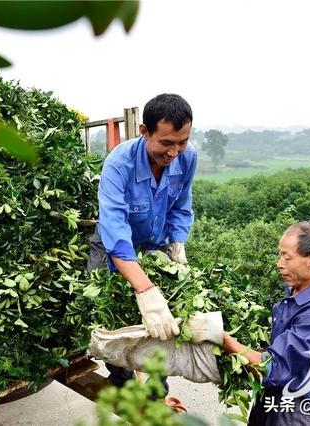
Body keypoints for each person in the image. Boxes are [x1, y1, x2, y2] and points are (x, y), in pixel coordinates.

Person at [87, 93, 197, 389]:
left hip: (155, 242)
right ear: (145, 132)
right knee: (110, 311)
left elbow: (181, 206)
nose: (175, 152)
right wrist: (144, 288)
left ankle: (157, 388)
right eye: (166, 143)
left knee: (165, 319)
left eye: (182, 142)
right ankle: (121, 378)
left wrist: (177, 243)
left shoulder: (188, 158)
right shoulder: (119, 163)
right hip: (114, 242)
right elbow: (115, 228)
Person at [221, 221, 310, 426]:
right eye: (280, 255)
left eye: (287, 257)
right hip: (272, 397)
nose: (279, 263)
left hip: (294, 410)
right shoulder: (300, 291)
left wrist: (227, 343)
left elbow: (273, 366)